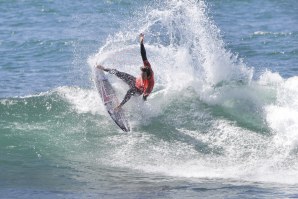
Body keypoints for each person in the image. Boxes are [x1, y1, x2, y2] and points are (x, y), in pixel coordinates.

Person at [96, 33, 154, 110]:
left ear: (147, 76)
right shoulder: (147, 66)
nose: (142, 76)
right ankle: (104, 68)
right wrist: (141, 42)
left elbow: (145, 96)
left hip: (139, 91)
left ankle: (120, 106)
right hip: (135, 81)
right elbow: (143, 54)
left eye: (143, 75)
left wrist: (142, 104)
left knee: (130, 91)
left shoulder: (150, 85)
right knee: (118, 73)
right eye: (141, 74)